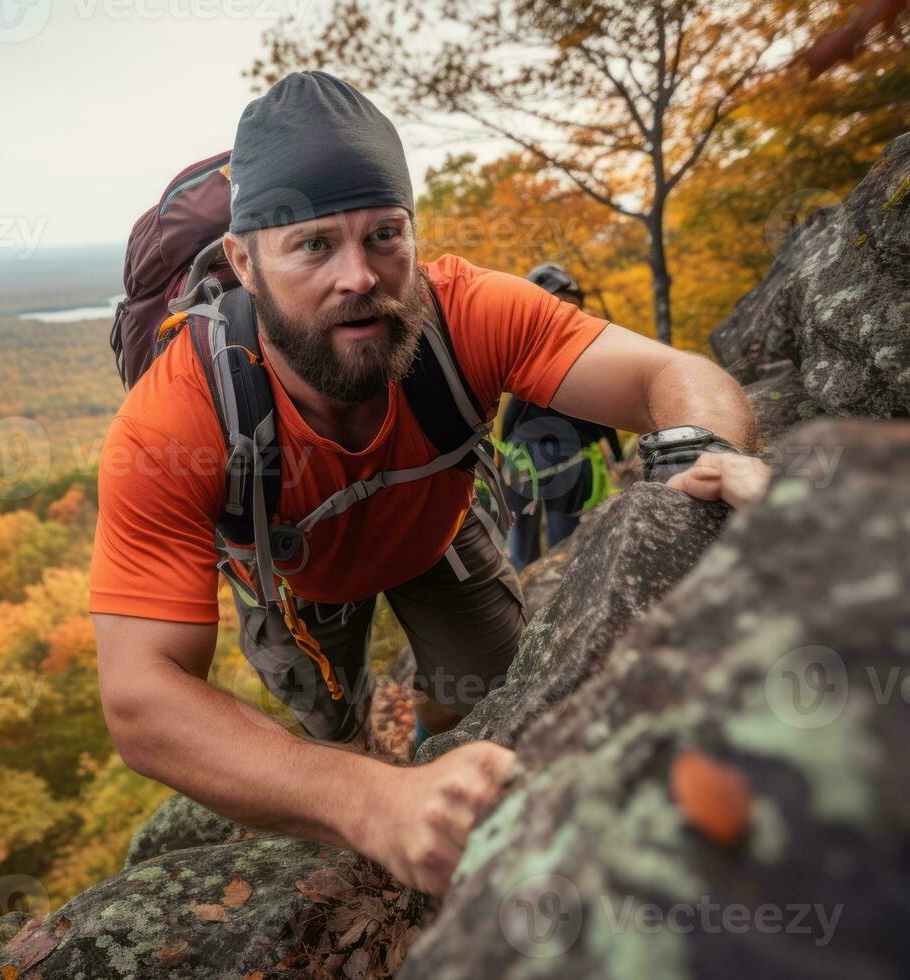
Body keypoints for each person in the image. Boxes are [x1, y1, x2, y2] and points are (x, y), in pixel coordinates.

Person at [90, 71, 770, 897]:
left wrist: (699, 450)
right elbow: (140, 699)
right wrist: (374, 804)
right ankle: (376, 778)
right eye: (312, 245)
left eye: (384, 235)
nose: (359, 276)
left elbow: (669, 373)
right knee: (333, 736)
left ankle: (431, 735)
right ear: (242, 262)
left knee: (483, 691)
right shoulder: (177, 416)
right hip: (299, 586)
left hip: (436, 538)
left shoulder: (463, 311)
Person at [500, 264, 625, 570]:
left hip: (525, 455)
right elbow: (603, 415)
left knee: (519, 553)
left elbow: (512, 414)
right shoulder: (590, 351)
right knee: (562, 553)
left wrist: (502, 454)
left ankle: (523, 610)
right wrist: (618, 456)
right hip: (567, 458)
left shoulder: (528, 352)